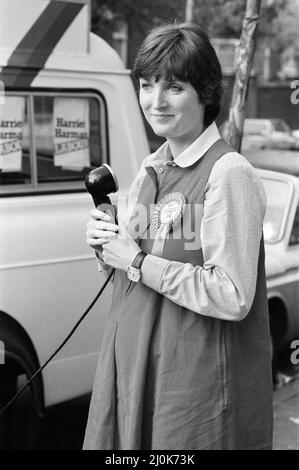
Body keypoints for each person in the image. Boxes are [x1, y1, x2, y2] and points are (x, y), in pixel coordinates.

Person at [83, 23, 273, 450]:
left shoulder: (228, 173)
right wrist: (105, 246)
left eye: (173, 87)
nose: (155, 101)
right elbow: (133, 266)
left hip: (193, 388)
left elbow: (232, 294)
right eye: (147, 85)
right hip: (136, 370)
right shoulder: (152, 168)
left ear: (205, 93)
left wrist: (135, 261)